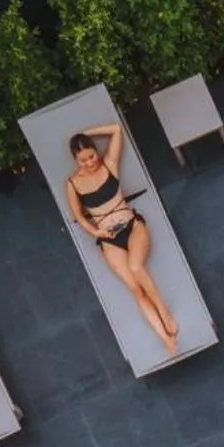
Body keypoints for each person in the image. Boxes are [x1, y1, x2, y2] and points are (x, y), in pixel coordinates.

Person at [65, 123, 180, 356]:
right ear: (75, 160)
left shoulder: (109, 164)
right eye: (83, 160)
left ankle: (163, 310)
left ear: (95, 151)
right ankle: (166, 339)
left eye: (91, 155)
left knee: (136, 266)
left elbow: (116, 129)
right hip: (108, 238)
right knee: (136, 290)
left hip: (131, 225)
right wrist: (96, 232)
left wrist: (87, 134)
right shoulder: (73, 183)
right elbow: (78, 216)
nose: (89, 162)